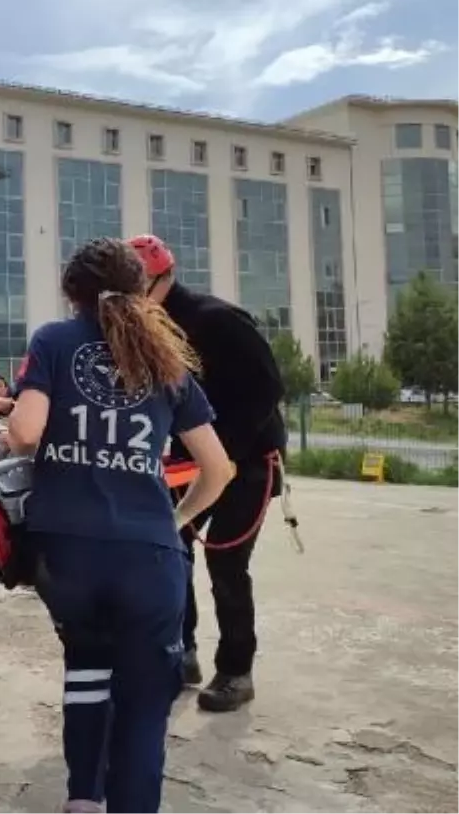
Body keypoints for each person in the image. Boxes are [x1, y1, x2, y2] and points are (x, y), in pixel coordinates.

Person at [7, 236, 234, 814]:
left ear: (71, 292)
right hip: (147, 556)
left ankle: (84, 797)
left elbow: (26, 434)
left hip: (68, 556)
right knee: (142, 702)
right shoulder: (165, 359)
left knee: (85, 669)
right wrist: (175, 519)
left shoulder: (54, 342)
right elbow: (219, 470)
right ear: (141, 289)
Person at [127, 233, 288, 713]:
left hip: (248, 462)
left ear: (163, 277)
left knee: (226, 564)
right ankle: (182, 655)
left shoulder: (217, 320)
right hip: (186, 464)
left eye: (136, 288)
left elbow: (267, 387)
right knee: (172, 552)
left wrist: (226, 453)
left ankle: (237, 671)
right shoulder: (147, 328)